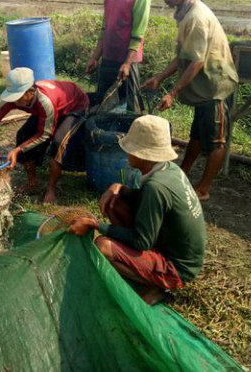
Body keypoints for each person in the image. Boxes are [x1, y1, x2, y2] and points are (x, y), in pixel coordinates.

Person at [67, 115, 205, 305]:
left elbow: (142, 241)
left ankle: (157, 285)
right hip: (169, 243)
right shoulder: (169, 169)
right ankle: (142, 265)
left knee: (102, 246)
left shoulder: (156, 187)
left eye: (130, 150)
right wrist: (120, 188)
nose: (127, 154)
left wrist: (97, 225)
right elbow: (147, 201)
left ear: (142, 154)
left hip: (177, 268)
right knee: (115, 201)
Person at [141, 0, 239, 201]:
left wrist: (173, 93)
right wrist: (159, 78)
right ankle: (182, 174)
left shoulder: (196, 17)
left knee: (216, 141)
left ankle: (203, 188)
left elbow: (196, 63)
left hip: (215, 86)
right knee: (196, 135)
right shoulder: (185, 13)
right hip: (202, 87)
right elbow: (183, 56)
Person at [0, 67, 89, 204]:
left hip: (74, 107)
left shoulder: (45, 102)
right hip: (50, 111)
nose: (14, 101)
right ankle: (32, 183)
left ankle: (51, 189)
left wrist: (17, 150)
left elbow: (44, 134)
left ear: (30, 92)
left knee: (58, 143)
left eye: (17, 97)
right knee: (23, 135)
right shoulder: (13, 99)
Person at [85, 0, 151, 113]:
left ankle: (128, 136)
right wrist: (95, 58)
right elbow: (104, 29)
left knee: (128, 105)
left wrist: (127, 63)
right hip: (108, 57)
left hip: (127, 60)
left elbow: (138, 34)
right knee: (102, 100)